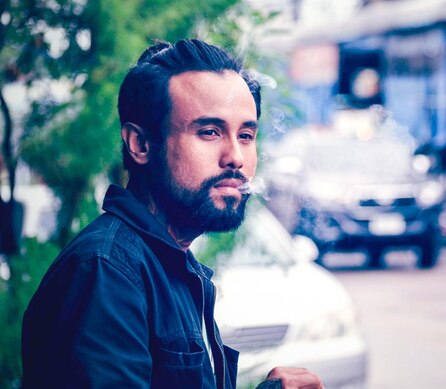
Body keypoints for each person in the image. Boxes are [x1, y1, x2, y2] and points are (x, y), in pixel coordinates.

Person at [21, 39, 324, 389]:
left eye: (245, 134)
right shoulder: (105, 271)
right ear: (141, 144)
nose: (236, 157)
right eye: (209, 132)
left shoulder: (170, 263)